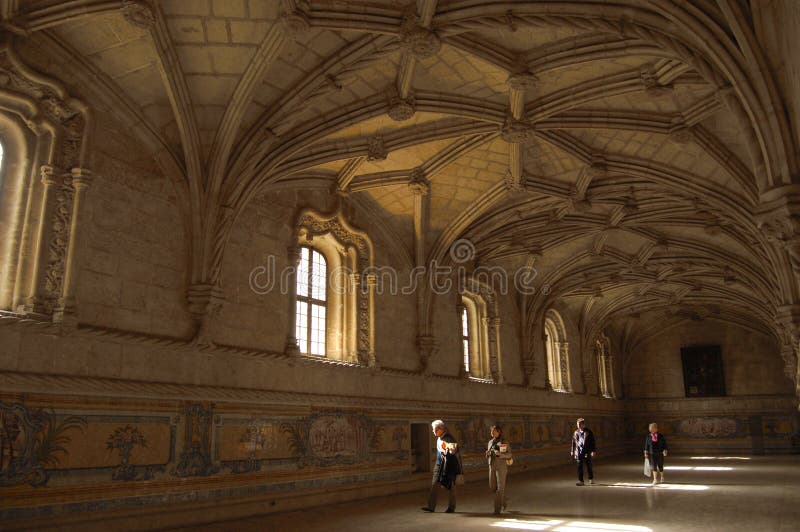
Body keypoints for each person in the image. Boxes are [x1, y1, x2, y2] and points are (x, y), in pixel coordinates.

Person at [422, 419, 460, 513]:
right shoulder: (440, 438)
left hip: (449, 466)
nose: (433, 431)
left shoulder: (449, 438)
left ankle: (451, 507)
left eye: (434, 429)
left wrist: (449, 448)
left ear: (439, 429)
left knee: (451, 486)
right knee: (434, 484)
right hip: (439, 464)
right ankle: (431, 506)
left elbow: (455, 449)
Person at [486, 424, 513, 515]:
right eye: (491, 431)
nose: (492, 433)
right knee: (492, 487)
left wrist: (500, 454)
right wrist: (488, 453)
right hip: (491, 466)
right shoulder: (490, 442)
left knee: (500, 488)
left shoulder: (503, 442)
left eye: (494, 431)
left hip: (501, 467)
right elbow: (489, 454)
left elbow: (509, 455)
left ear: (499, 432)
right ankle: (503, 499)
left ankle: (497, 509)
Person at [570, 418, 596, 486]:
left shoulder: (588, 432)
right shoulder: (576, 432)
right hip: (579, 452)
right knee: (579, 467)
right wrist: (572, 450)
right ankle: (581, 481)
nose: (578, 426)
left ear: (583, 424)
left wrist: (593, 451)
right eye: (577, 424)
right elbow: (573, 442)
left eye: (579, 424)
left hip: (587, 451)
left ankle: (591, 478)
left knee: (589, 466)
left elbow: (593, 442)